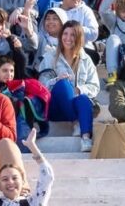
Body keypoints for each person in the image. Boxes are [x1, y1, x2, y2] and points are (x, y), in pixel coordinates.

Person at [37, 20, 98, 152]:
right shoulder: (50, 56)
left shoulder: (86, 60)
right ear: (61, 36)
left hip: (75, 105)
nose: (68, 38)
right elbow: (40, 85)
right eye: (65, 34)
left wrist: (78, 89)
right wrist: (56, 80)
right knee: (63, 84)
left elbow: (94, 86)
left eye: (73, 35)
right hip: (54, 108)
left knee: (83, 98)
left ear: (79, 38)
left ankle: (85, 138)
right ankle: (77, 120)